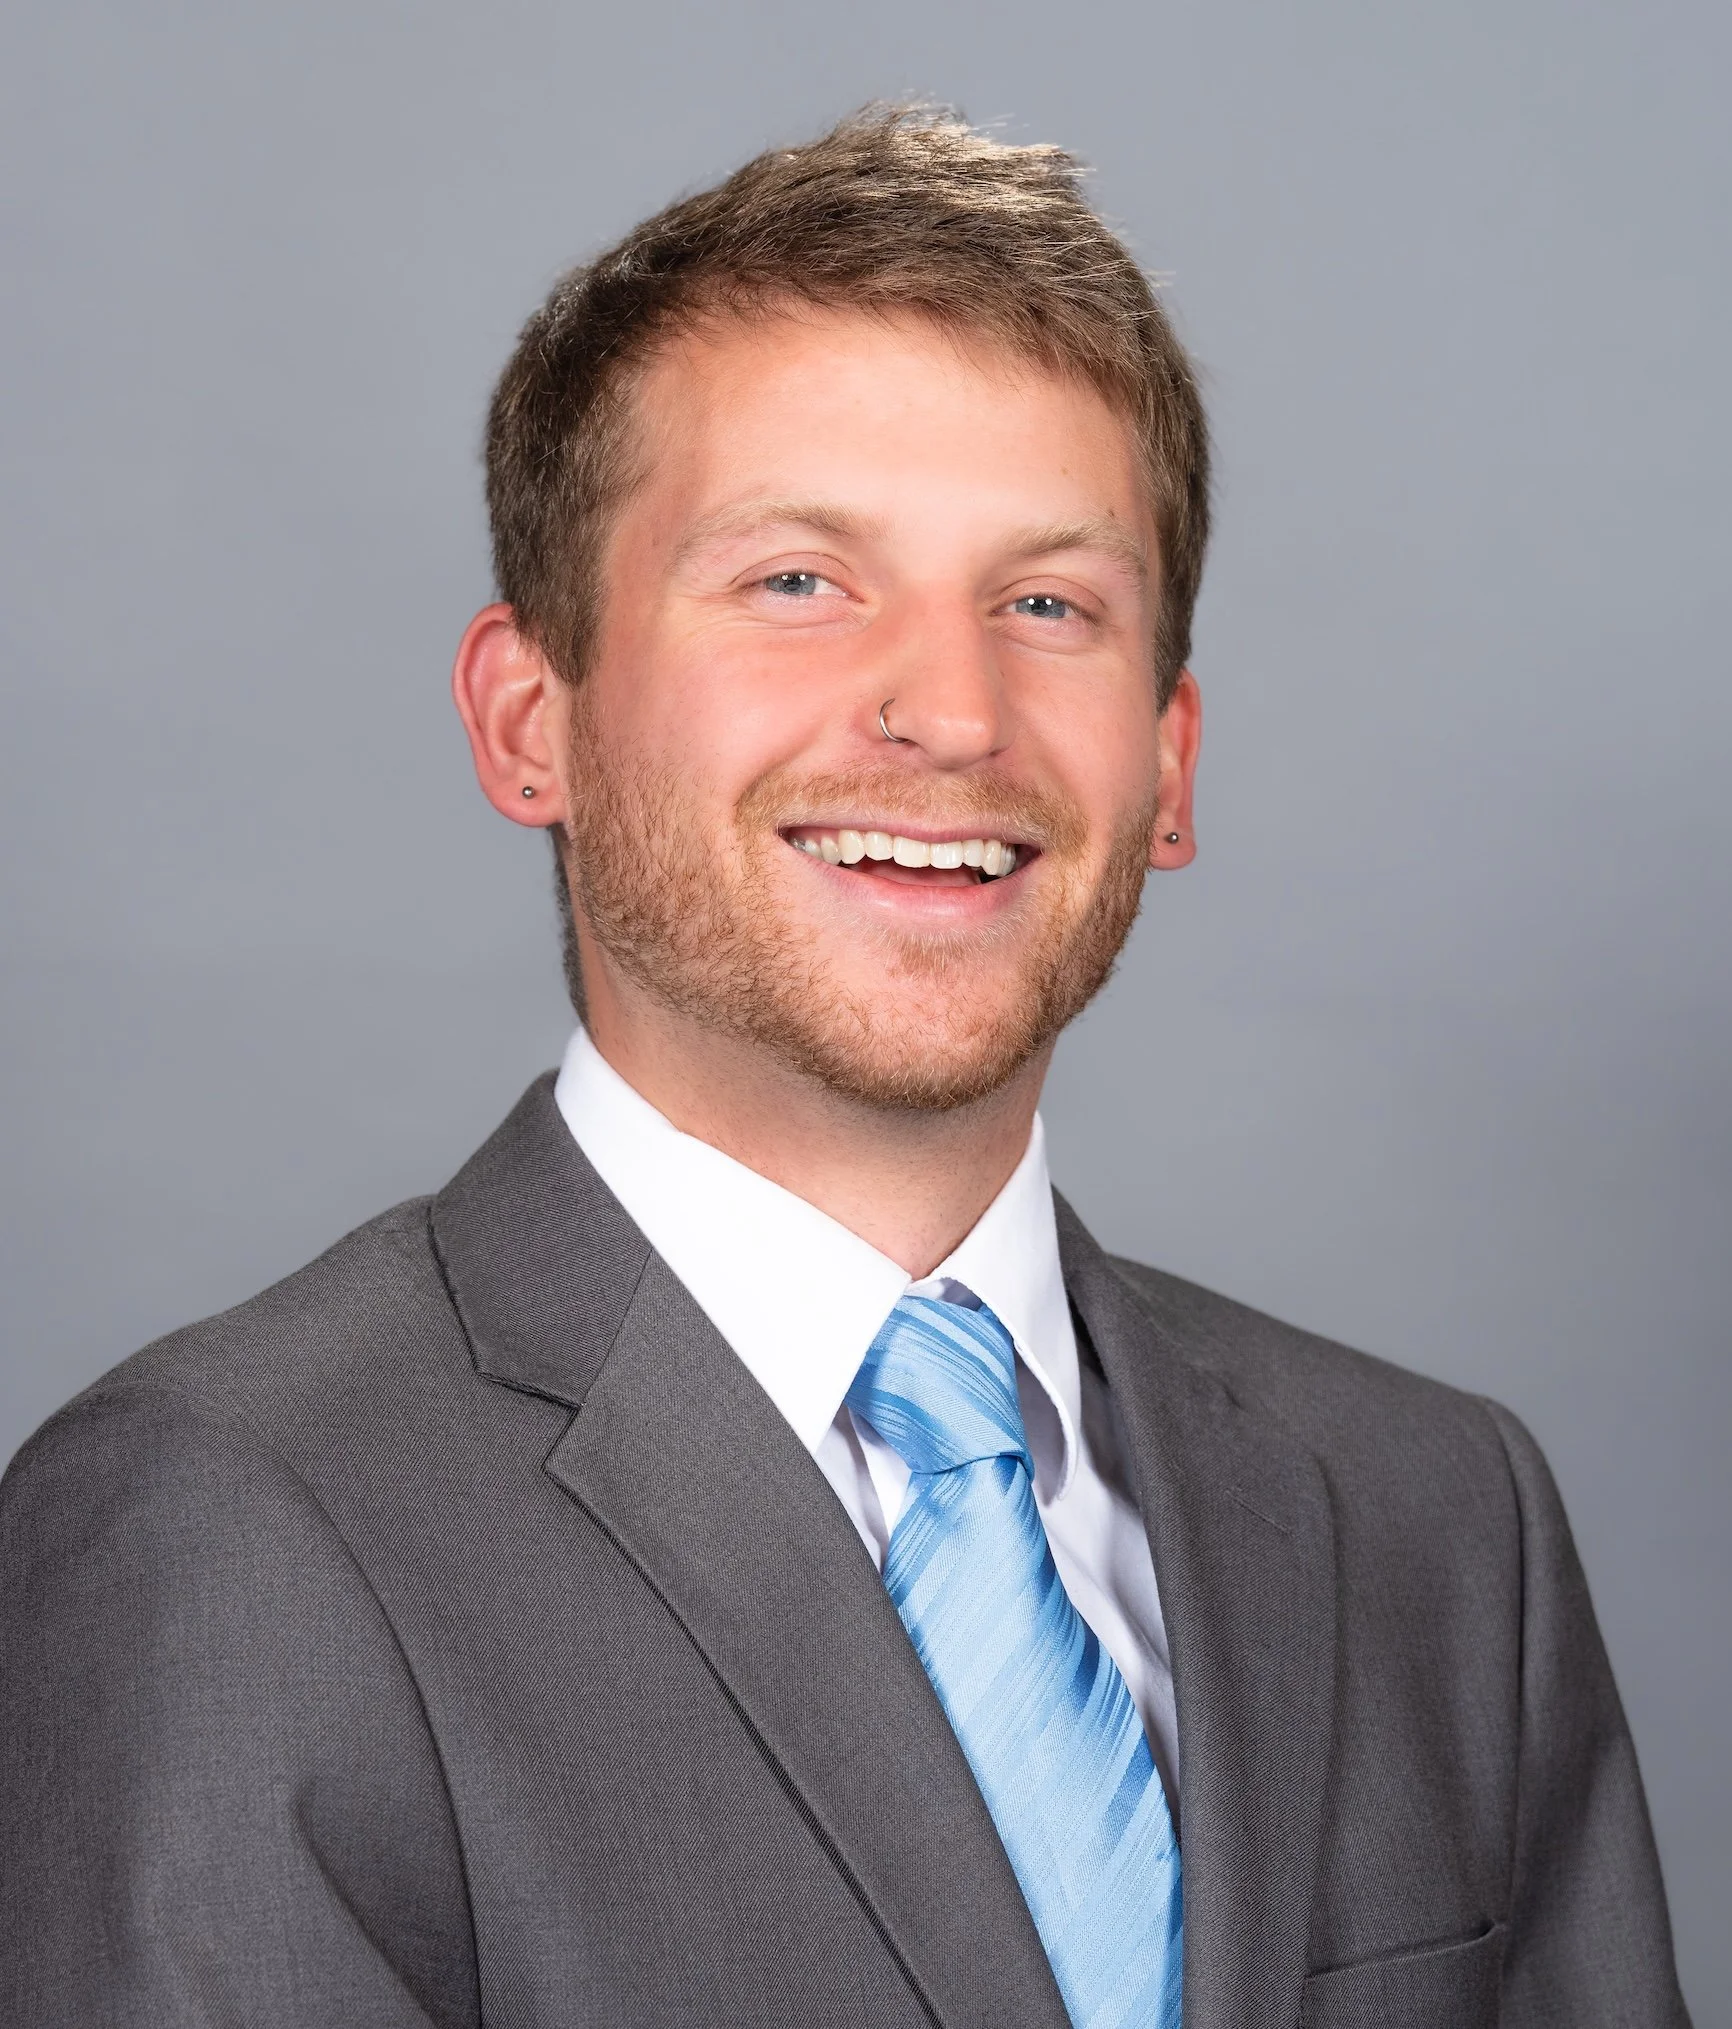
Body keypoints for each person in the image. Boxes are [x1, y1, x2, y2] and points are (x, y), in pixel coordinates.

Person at [0, 105, 1689, 2029]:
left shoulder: (1442, 1524)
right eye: (800, 581)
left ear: (1172, 766)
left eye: (1050, 603)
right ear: (527, 719)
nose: (954, 712)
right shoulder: (233, 1536)